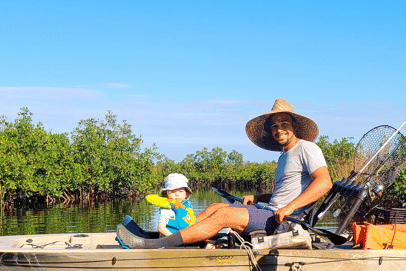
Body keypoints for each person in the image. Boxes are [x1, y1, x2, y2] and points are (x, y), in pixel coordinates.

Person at [118, 99, 332, 248]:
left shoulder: (307, 148)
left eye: (284, 123)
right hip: (271, 212)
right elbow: (285, 193)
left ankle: (154, 245)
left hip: (284, 221)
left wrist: (290, 208)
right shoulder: (284, 155)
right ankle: (166, 235)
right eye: (275, 125)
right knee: (215, 207)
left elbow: (324, 183)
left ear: (294, 125)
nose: (279, 129)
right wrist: (258, 198)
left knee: (224, 215)